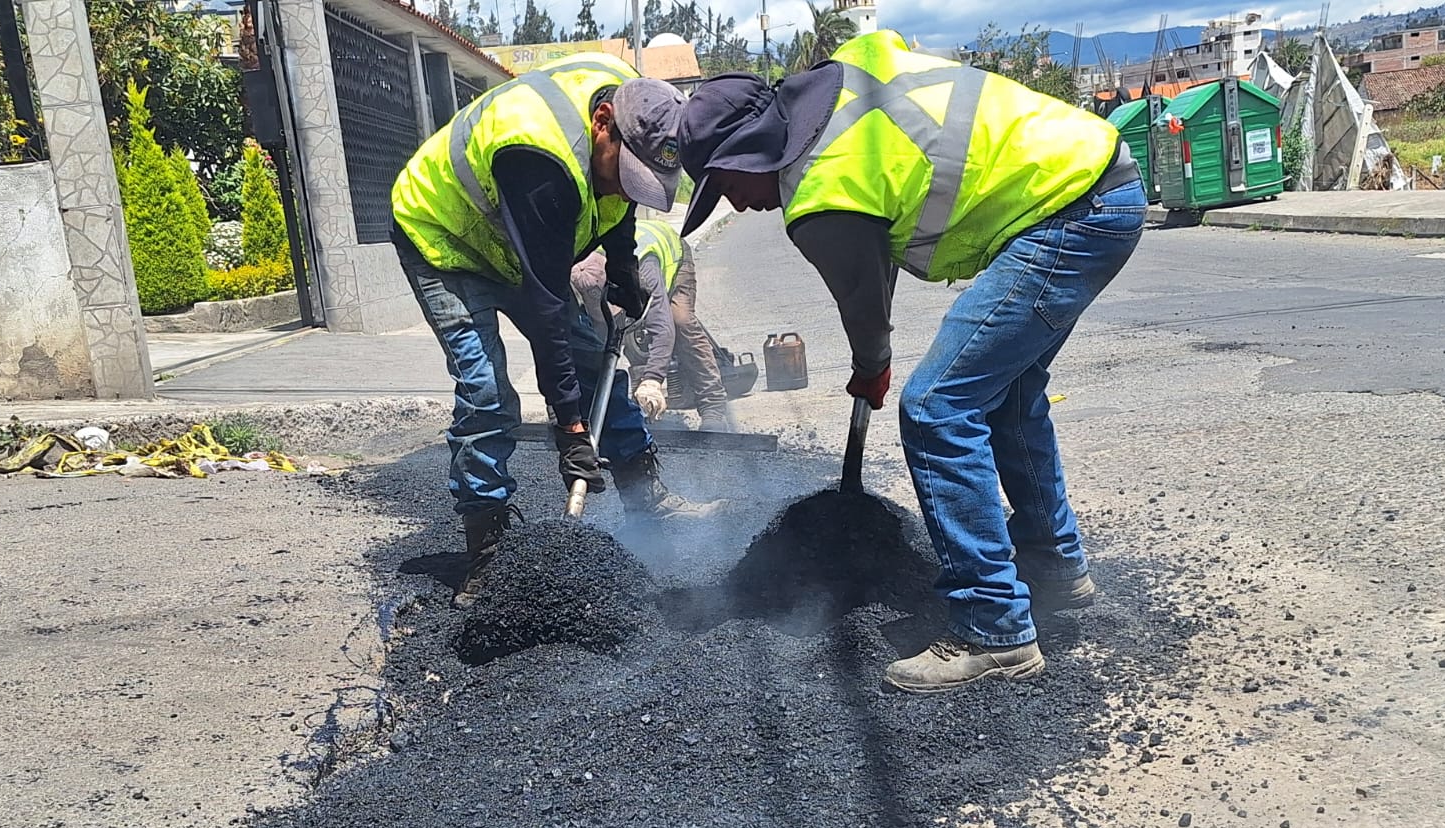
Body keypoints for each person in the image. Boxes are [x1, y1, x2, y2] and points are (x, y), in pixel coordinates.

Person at [677, 30, 1147, 693]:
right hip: (1097, 183)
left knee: (937, 406)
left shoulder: (819, 193)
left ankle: (994, 627)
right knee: (1006, 394)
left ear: (750, 149)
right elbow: (885, 230)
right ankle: (1053, 563)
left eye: (721, 181)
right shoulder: (839, 84)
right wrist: (876, 352)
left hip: (1066, 213)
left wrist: (873, 366)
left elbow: (865, 306)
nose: (728, 200)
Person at [391, 52, 722, 609]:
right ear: (602, 126)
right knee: (486, 391)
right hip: (445, 240)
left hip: (519, 242)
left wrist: (621, 265)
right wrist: (570, 430)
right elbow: (546, 309)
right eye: (627, 173)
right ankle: (487, 542)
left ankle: (645, 493)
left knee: (597, 361)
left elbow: (617, 205)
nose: (628, 188)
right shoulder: (537, 154)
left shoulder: (634, 112)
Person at [571, 219, 736, 431]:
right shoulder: (578, 269)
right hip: (622, 269)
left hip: (671, 256)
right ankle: (639, 409)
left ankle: (712, 406)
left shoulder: (643, 270)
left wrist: (653, 379)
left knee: (681, 322)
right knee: (613, 331)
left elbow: (663, 329)